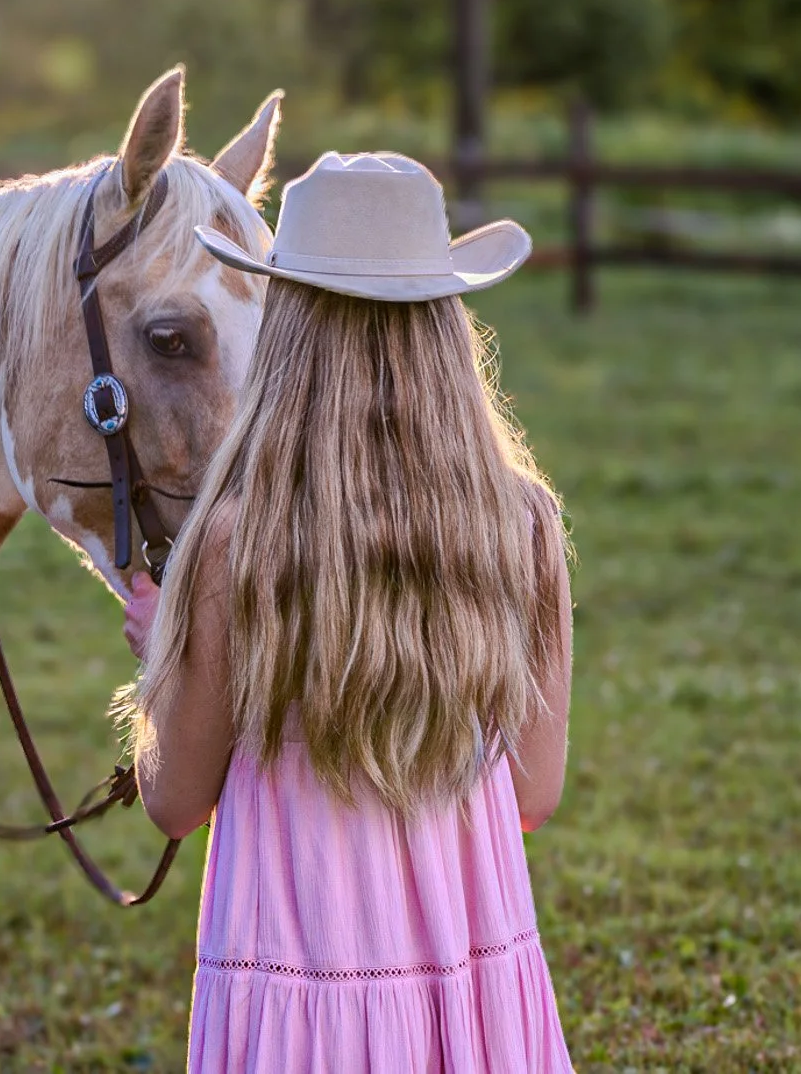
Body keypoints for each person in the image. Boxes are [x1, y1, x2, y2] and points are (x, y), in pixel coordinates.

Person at [122, 152, 576, 1072]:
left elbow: (174, 803)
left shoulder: (235, 544)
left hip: (299, 1000)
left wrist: (160, 658)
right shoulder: (521, 521)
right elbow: (534, 793)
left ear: (289, 326)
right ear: (447, 327)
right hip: (466, 992)